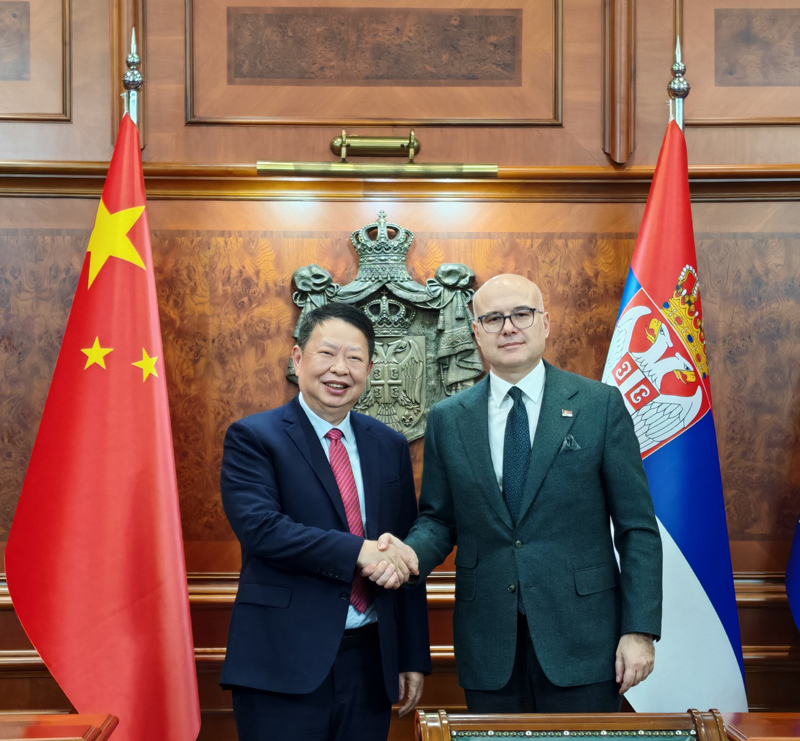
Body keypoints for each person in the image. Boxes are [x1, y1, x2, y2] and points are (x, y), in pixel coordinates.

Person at [388, 273, 662, 713]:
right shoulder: (447, 418)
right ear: (476, 332)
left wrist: (639, 630)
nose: (508, 327)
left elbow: (637, 529)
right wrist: (406, 555)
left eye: (521, 314)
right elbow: (438, 519)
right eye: (493, 318)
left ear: (545, 323)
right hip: (488, 643)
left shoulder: (599, 405)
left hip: (585, 640)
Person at [220, 302, 430, 741]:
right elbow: (262, 529)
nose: (340, 369)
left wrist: (411, 655)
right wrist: (358, 551)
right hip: (281, 663)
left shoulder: (388, 445)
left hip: (370, 664)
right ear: (298, 358)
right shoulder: (254, 437)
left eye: (354, 358)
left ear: (369, 369)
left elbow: (402, 549)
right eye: (327, 353)